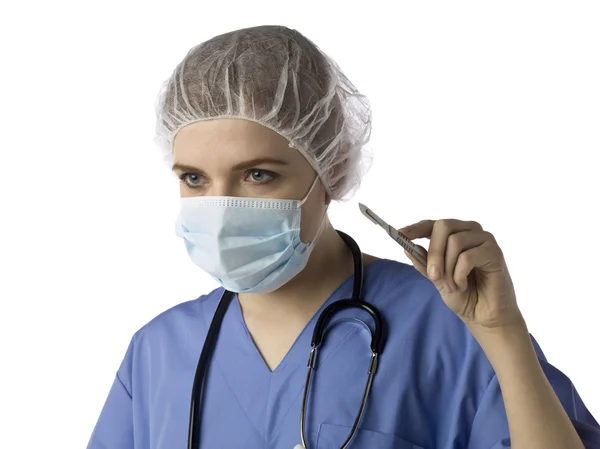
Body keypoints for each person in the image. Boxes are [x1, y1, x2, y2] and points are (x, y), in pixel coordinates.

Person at [87, 25, 600, 449]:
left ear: (331, 169)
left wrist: (504, 336)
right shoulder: (157, 353)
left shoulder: (454, 326)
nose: (222, 208)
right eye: (194, 178)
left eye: (258, 175)